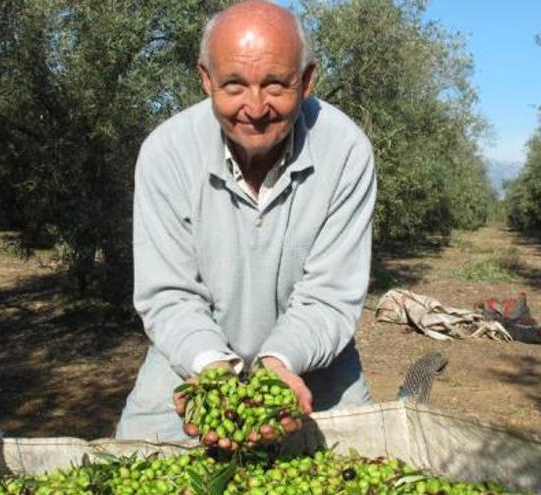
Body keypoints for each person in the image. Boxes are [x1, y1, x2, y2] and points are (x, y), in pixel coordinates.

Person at [116, 0, 376, 443]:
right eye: (234, 85)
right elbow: (170, 294)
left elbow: (330, 295)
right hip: (190, 363)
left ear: (307, 80)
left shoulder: (346, 151)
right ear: (206, 79)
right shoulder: (167, 153)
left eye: (275, 85)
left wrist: (277, 366)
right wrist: (213, 369)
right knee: (129, 466)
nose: (255, 108)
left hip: (317, 366)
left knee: (366, 466)